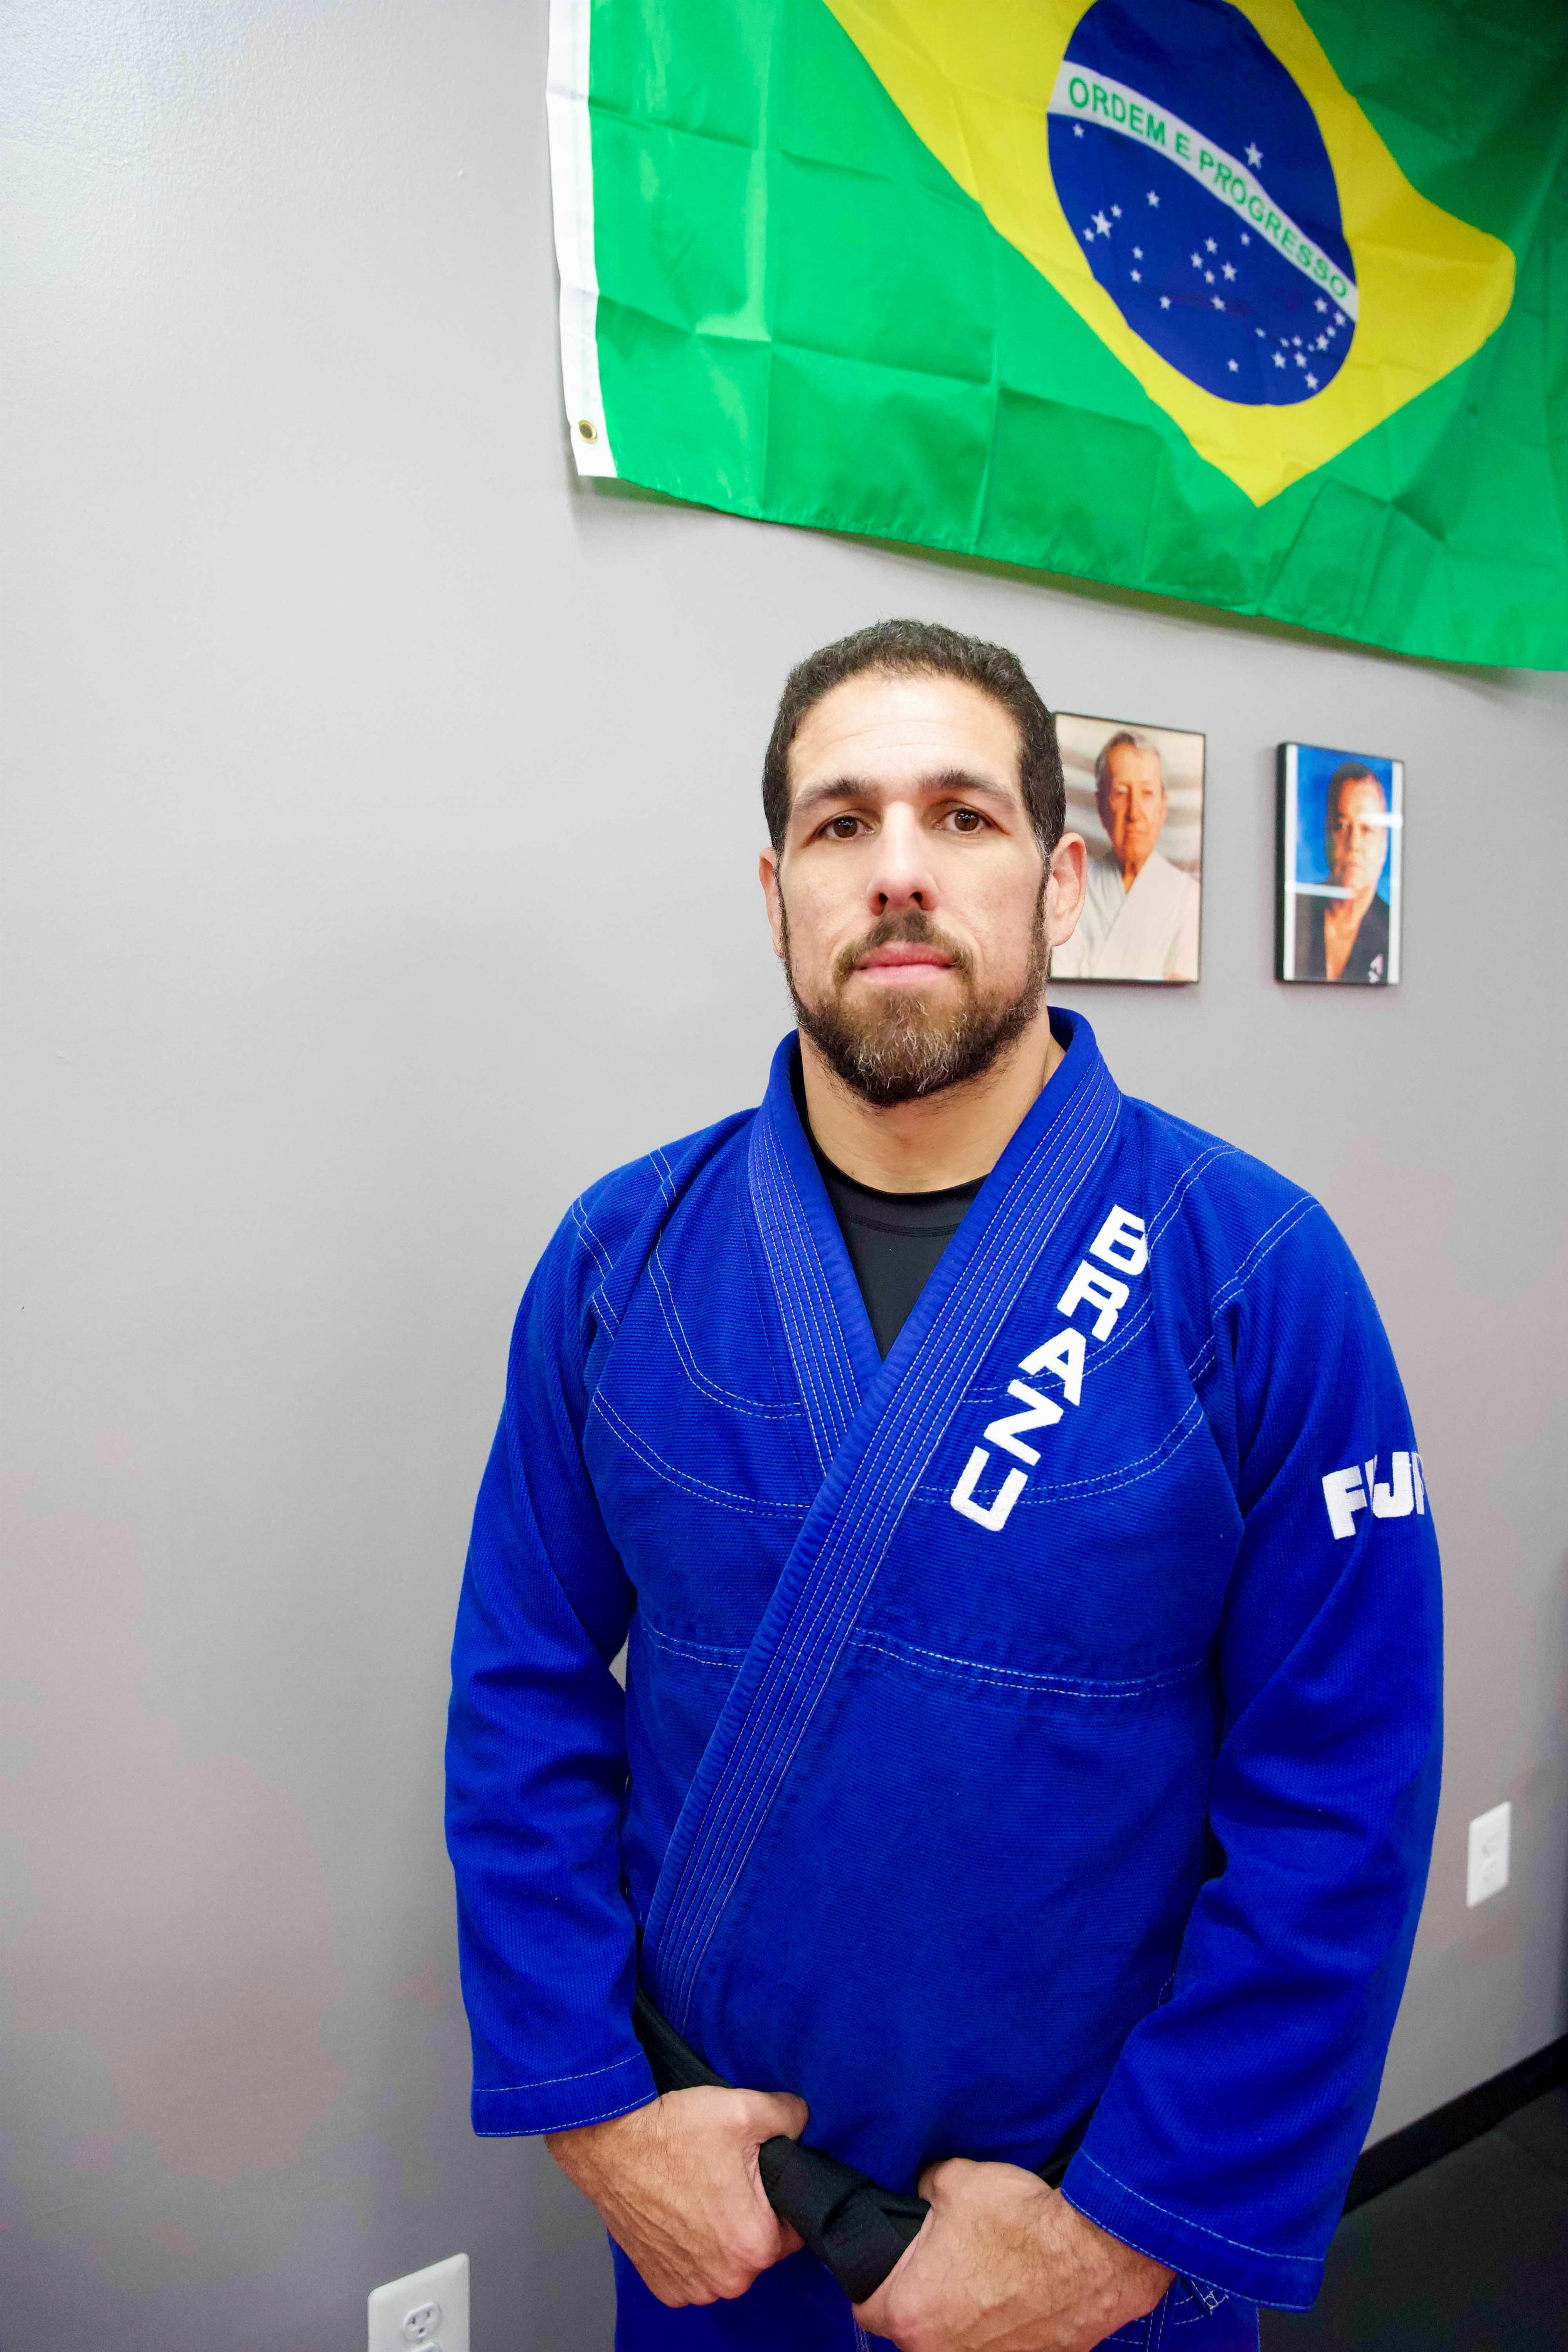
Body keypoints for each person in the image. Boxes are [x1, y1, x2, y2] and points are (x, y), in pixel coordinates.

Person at [445, 620, 1441, 2352]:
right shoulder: (624, 1260)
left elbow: (1339, 1791)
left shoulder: (1252, 1271)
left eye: (960, 816)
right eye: (840, 824)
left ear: (1059, 875)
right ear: (775, 890)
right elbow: (519, 1689)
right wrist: (602, 2113)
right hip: (724, 2214)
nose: (897, 870)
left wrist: (1127, 2231)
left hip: (1086, 2237)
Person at [1047, 730, 1200, 982]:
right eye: (1121, 792)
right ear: (1101, 805)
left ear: (1163, 806)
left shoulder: (1188, 896)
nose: (1135, 812)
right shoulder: (1069, 887)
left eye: (1147, 793)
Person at [1293, 763, 1392, 983]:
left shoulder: (1393, 931)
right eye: (1342, 826)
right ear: (1327, 834)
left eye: (1367, 830)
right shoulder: (1294, 912)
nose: (1354, 843)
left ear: (1384, 844)